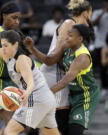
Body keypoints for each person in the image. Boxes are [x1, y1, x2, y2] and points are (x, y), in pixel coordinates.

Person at [27, 0, 94, 135]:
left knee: (57, 121)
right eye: (90, 16)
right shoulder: (70, 24)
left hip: (59, 77)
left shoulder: (75, 29)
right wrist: (32, 48)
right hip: (54, 76)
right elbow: (53, 59)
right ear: (86, 13)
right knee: (54, 121)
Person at [91, 0, 108, 100]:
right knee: (102, 67)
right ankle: (103, 88)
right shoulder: (98, 12)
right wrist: (103, 12)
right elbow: (93, 23)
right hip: (100, 44)